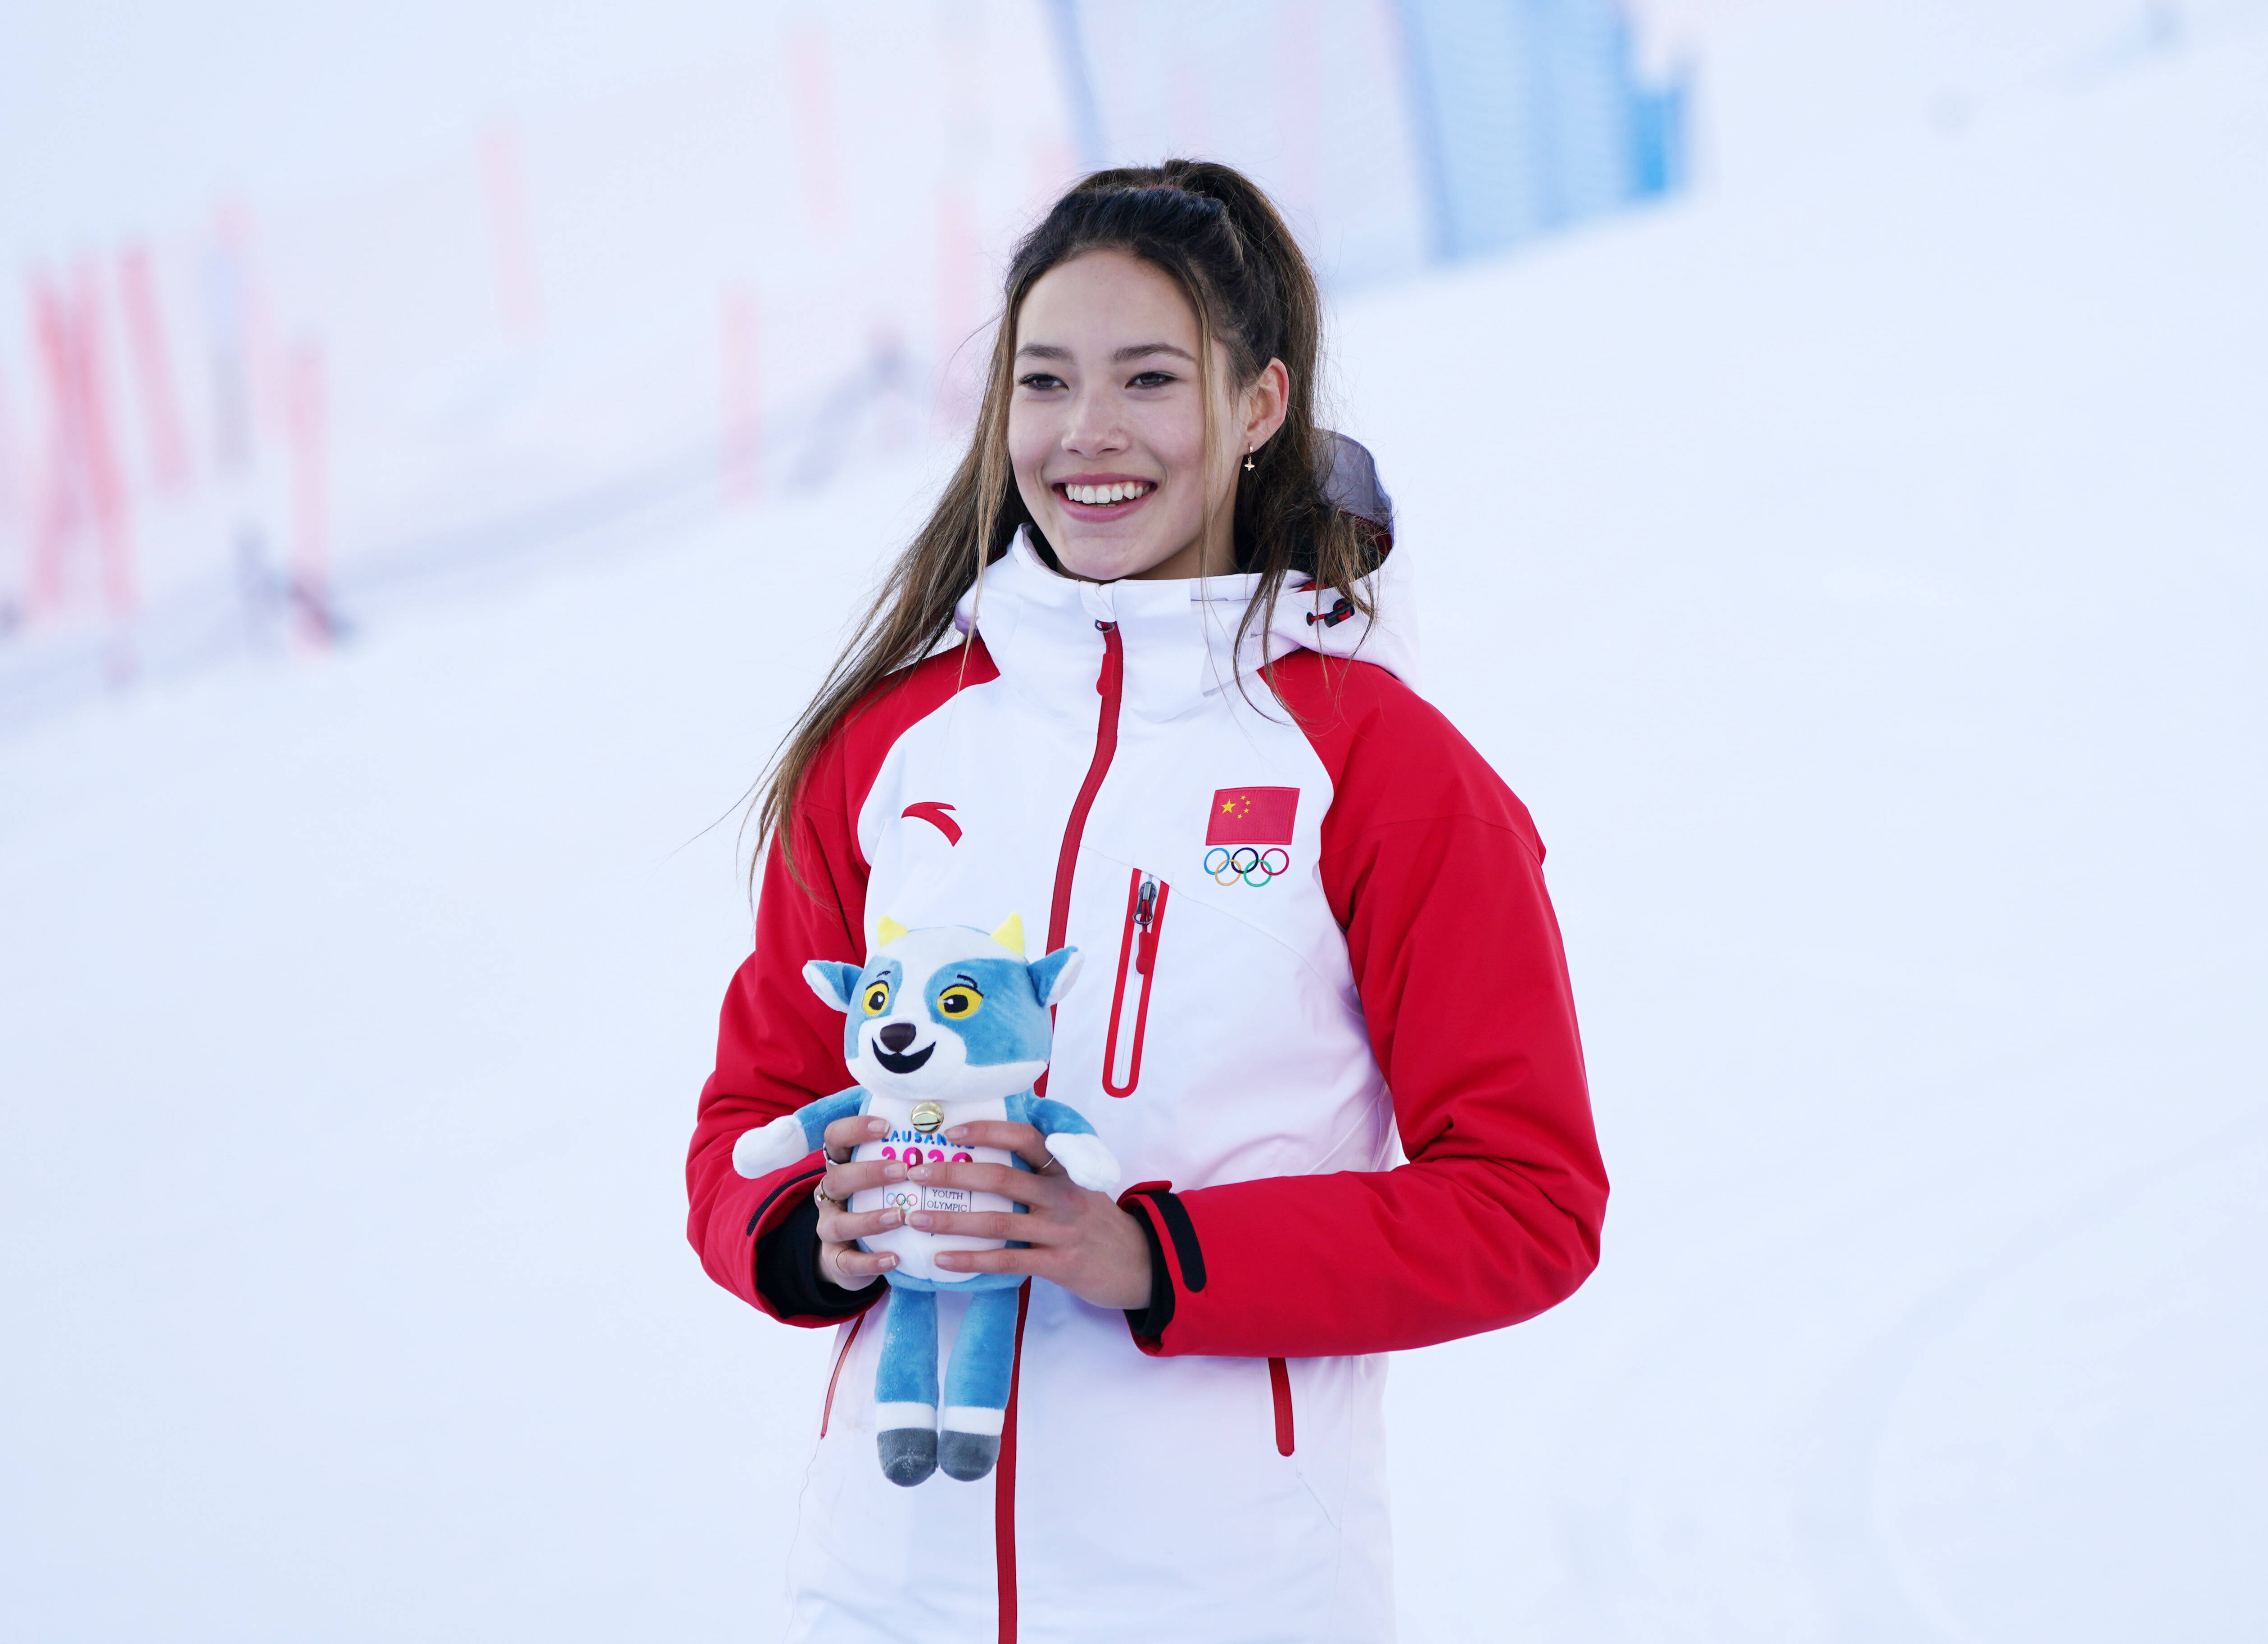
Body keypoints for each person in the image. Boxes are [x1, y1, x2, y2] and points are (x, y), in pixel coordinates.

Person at [685, 159, 1606, 1644]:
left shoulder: (1377, 765)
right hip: (882, 1591)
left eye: (1147, 379)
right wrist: (811, 1225)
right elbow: (748, 1122)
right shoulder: (892, 747)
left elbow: (1527, 1201)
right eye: (1043, 382)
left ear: (1257, 407)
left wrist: (1157, 1256)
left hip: (1227, 1594)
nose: (1086, 435)